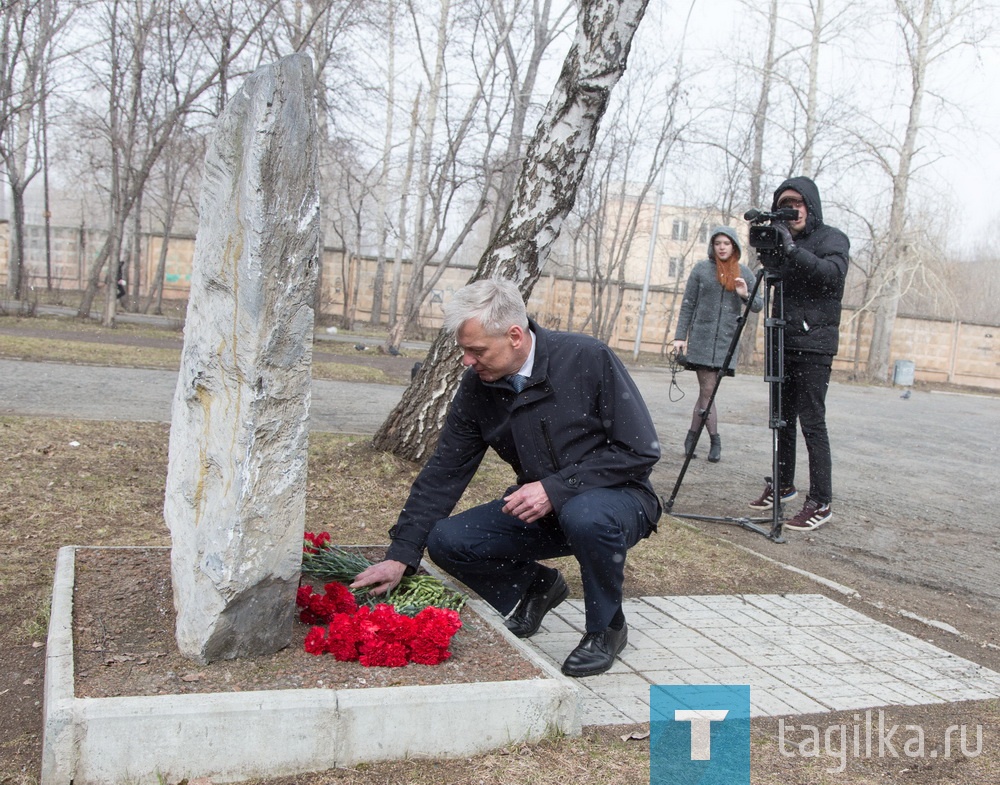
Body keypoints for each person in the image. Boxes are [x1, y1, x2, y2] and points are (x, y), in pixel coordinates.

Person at [352, 278, 662, 677]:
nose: (467, 360)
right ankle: (536, 587)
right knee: (448, 540)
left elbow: (640, 450)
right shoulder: (479, 387)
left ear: (515, 335)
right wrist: (402, 554)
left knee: (586, 513)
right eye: (464, 350)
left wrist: (555, 488)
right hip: (548, 508)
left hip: (620, 500)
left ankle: (607, 627)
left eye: (476, 350)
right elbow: (445, 470)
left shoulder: (587, 357)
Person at [748, 176, 850, 531]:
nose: (791, 211)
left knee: (812, 422)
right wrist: (778, 249)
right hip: (782, 340)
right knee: (781, 419)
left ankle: (821, 501)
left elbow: (832, 276)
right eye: (784, 206)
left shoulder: (832, 239)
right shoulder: (782, 239)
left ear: (810, 205)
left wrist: (792, 251)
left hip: (814, 344)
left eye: (796, 204)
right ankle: (783, 483)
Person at [672, 226, 763, 463]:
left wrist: (744, 294)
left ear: (734, 246)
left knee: (706, 393)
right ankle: (715, 440)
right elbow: (688, 304)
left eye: (726, 243)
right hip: (701, 339)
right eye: (717, 243)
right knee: (708, 391)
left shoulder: (744, 273)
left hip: (726, 342)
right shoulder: (701, 270)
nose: (722, 247)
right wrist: (680, 336)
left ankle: (691, 437)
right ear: (712, 246)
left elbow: (758, 305)